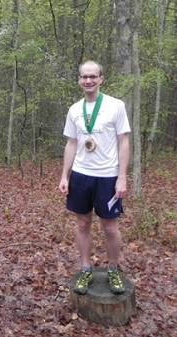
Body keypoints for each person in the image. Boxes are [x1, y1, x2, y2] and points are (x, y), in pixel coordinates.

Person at [58, 61, 131, 295]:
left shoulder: (115, 106)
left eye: (92, 76)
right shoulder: (74, 109)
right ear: (79, 80)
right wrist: (64, 176)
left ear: (101, 78)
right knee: (82, 223)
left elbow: (124, 141)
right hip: (81, 175)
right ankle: (85, 268)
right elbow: (71, 143)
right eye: (84, 77)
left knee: (110, 227)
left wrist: (122, 177)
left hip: (107, 176)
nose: (88, 81)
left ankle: (113, 269)